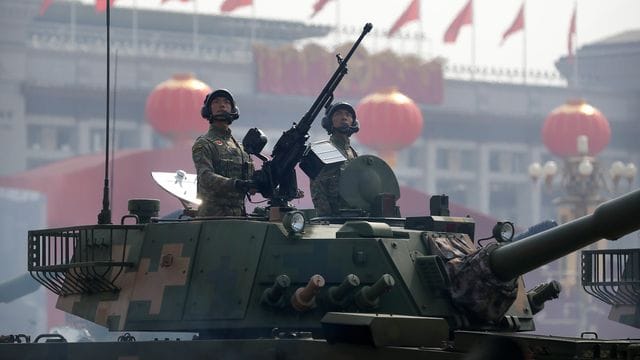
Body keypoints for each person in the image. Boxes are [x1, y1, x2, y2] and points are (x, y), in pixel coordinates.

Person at [192, 89, 255, 217]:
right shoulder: (204, 143)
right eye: (216, 102)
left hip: (239, 217)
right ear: (208, 110)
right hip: (212, 218)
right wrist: (235, 184)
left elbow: (252, 183)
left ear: (233, 109)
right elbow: (205, 177)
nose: (222, 105)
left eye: (226, 102)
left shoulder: (242, 149)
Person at [309, 102, 359, 216]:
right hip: (333, 219)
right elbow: (317, 188)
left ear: (353, 122)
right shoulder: (322, 150)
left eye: (348, 114)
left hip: (354, 214)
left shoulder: (354, 154)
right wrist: (326, 218)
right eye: (338, 114)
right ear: (329, 121)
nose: (344, 117)